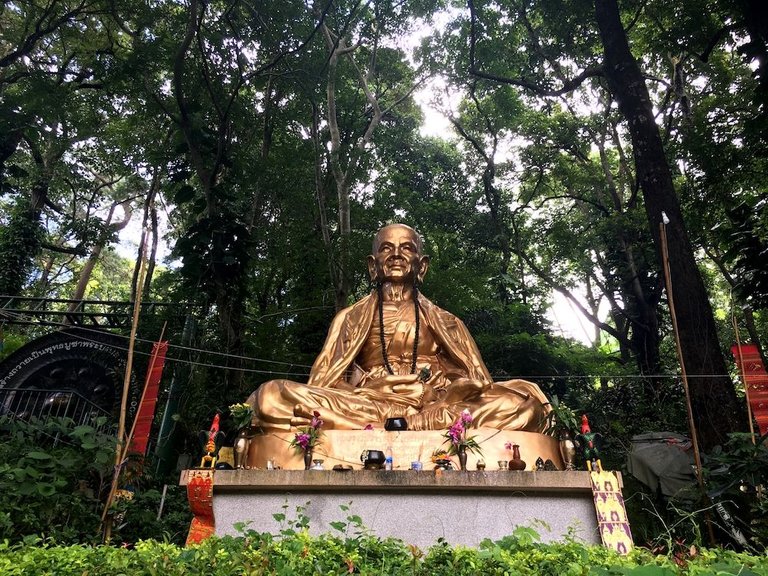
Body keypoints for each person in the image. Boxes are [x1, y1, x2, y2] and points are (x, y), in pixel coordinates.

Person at [247, 223, 549, 432]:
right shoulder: (350, 318)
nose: (396, 255)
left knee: (524, 405)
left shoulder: (446, 321)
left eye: (406, 248)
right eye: (386, 248)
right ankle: (393, 426)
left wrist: (444, 395)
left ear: (422, 265)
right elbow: (324, 382)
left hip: (433, 405)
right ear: (372, 264)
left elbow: (476, 382)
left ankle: (390, 427)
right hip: (368, 404)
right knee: (270, 396)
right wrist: (370, 387)